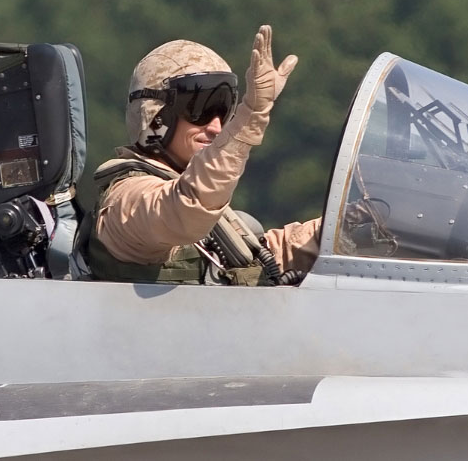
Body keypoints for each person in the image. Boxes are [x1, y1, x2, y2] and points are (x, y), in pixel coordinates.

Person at [83, 24, 321, 284]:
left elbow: (262, 257)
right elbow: (189, 207)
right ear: (157, 116)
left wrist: (350, 223)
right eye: (200, 109)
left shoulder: (187, 190)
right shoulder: (127, 202)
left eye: (224, 109)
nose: (217, 127)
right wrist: (250, 116)